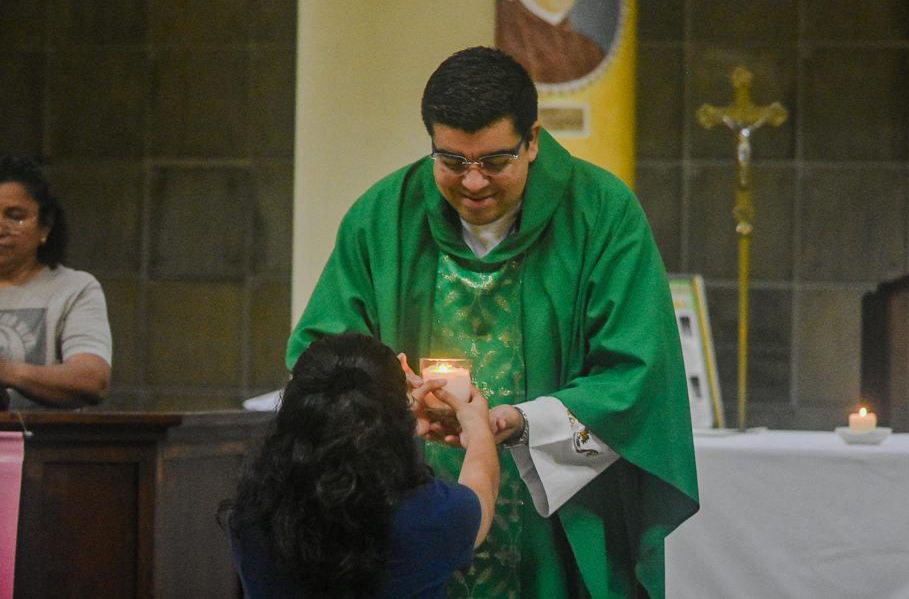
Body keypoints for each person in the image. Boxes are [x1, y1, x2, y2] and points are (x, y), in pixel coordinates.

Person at [288, 46, 699, 598]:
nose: (474, 183)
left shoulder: (602, 215)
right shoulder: (382, 217)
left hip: (551, 527)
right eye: (452, 161)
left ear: (532, 141)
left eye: (494, 162)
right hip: (407, 513)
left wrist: (521, 423)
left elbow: (637, 378)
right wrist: (395, 399)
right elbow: (321, 359)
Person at [224, 332, 499, 598]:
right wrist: (479, 432)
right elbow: (482, 497)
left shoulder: (253, 516)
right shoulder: (429, 513)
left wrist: (398, 420)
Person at [0, 155, 111, 410]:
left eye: (15, 216)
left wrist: (8, 373)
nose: (0, 227)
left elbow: (93, 379)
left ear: (45, 227)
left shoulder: (75, 289)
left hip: (48, 446)